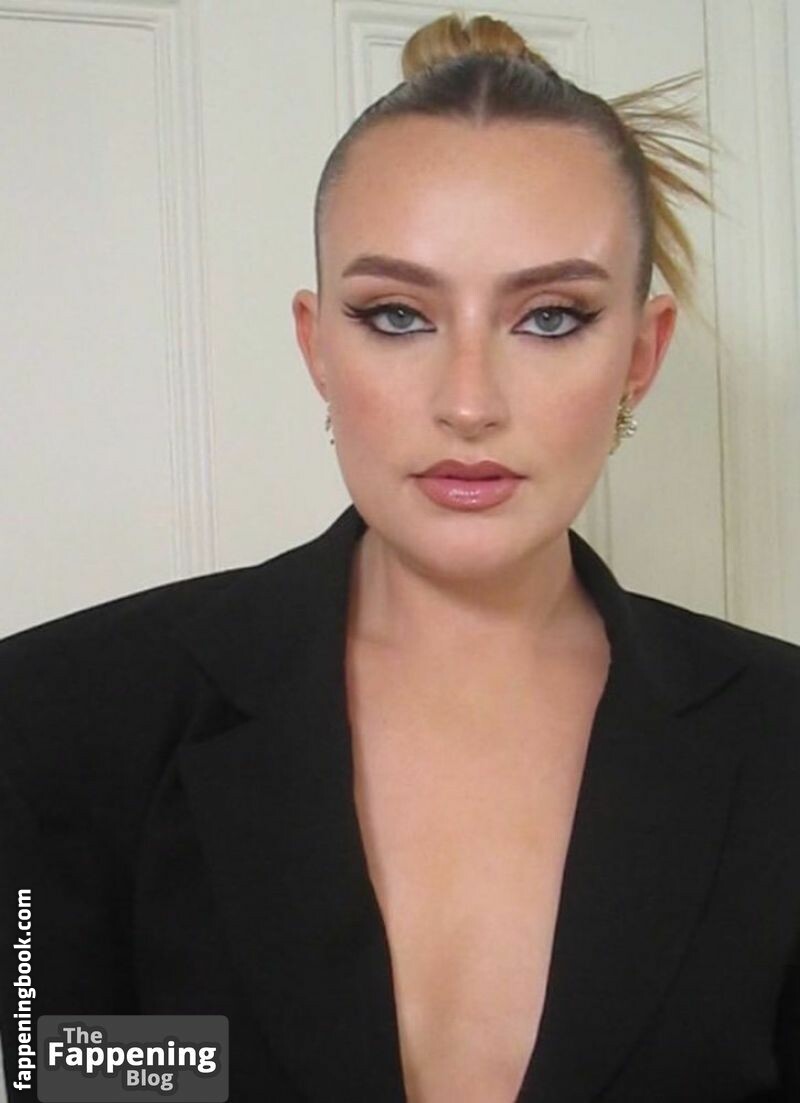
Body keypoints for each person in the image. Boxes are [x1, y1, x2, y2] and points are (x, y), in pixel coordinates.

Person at [1, 10, 799, 1103]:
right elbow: (45, 1068)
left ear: (640, 355)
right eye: (395, 315)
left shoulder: (782, 739)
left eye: (550, 318)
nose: (467, 402)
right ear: (317, 347)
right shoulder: (56, 714)